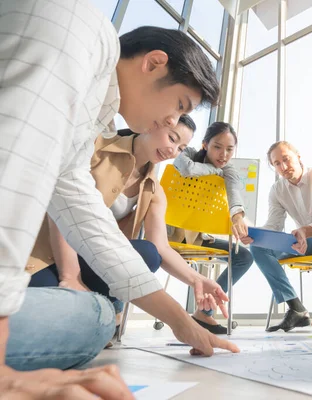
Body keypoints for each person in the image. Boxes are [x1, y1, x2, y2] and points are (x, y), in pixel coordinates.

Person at [0, 1, 237, 394]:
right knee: (93, 318)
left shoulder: (91, 114)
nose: (172, 124)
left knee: (98, 312)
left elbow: (87, 218)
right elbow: (13, 174)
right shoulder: (78, 29)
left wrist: (179, 320)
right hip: (32, 263)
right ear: (153, 63)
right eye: (180, 107)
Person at [27, 115, 232, 338]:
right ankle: (88, 310)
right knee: (41, 315)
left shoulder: (153, 189)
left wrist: (196, 279)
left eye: (181, 148)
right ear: (151, 124)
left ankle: (96, 309)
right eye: (172, 139)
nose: (173, 151)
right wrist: (70, 276)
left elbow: (161, 248)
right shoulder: (96, 150)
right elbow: (63, 209)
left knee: (147, 253)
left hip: (90, 259)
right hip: (45, 257)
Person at [246, 141, 312, 333]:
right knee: (257, 246)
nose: (283, 166)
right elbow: (274, 224)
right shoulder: (277, 190)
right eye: (277, 163)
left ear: (298, 157)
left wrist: (306, 231)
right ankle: (296, 308)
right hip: (301, 242)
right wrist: (254, 234)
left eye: (286, 159)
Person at [173, 121, 253, 334]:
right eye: (217, 146)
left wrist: (237, 216)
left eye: (229, 149)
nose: (223, 155)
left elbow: (235, 192)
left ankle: (204, 312)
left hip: (197, 238)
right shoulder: (189, 152)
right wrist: (216, 172)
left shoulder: (229, 171)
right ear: (205, 144)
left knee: (244, 257)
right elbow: (186, 168)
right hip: (167, 235)